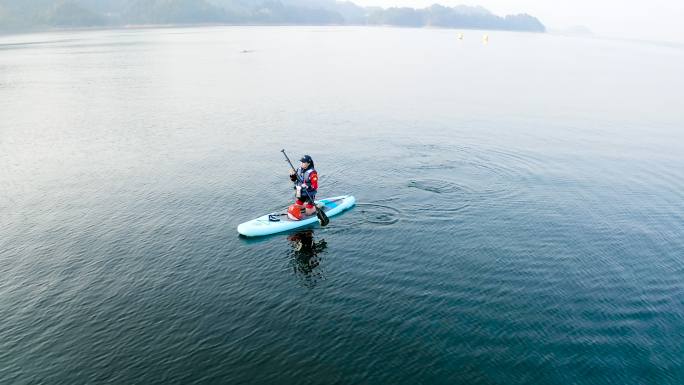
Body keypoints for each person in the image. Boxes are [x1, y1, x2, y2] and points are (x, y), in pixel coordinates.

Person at [287, 155, 318, 220]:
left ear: (308, 163)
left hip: (309, 194)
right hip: (301, 193)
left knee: (308, 213)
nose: (301, 163)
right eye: (301, 162)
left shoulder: (312, 173)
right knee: (298, 206)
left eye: (303, 162)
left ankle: (316, 207)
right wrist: (292, 176)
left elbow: (315, 186)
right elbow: (294, 180)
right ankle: (307, 205)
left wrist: (307, 186)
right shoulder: (299, 170)